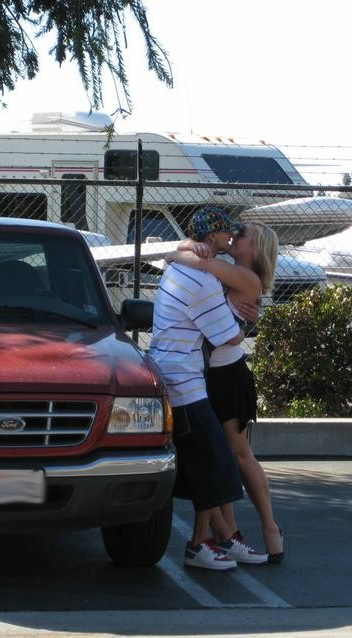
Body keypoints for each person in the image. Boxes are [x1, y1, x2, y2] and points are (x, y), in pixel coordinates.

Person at [148, 206, 267, 571]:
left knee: (211, 462)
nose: (231, 238)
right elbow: (229, 335)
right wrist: (242, 325)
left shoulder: (185, 267)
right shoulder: (201, 280)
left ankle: (221, 539)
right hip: (186, 380)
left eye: (238, 234)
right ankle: (203, 544)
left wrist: (180, 251)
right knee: (214, 463)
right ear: (212, 236)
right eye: (226, 233)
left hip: (187, 376)